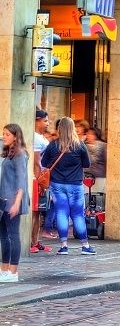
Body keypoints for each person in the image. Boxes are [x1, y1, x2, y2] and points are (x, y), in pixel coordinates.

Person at [41, 117, 96, 255]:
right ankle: (85, 245)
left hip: (57, 184)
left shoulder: (53, 145)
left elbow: (45, 162)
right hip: (75, 185)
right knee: (77, 215)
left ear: (59, 129)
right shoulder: (79, 145)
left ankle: (64, 246)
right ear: (72, 129)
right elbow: (87, 164)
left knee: (61, 213)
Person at [0, 124, 30, 282]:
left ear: (15, 137)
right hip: (4, 201)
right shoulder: (9, 154)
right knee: (4, 236)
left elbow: (21, 181)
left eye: (7, 134)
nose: (4, 136)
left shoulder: (19, 155)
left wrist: (17, 203)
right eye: (3, 134)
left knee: (13, 235)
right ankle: (4, 270)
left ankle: (13, 272)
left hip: (13, 202)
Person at [30, 110, 52, 253]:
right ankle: (31, 243)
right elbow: (36, 162)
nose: (48, 123)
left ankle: (35, 242)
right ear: (37, 120)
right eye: (45, 121)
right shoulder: (36, 138)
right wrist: (40, 183)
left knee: (38, 212)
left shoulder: (42, 137)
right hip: (36, 178)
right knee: (33, 212)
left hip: (42, 177)